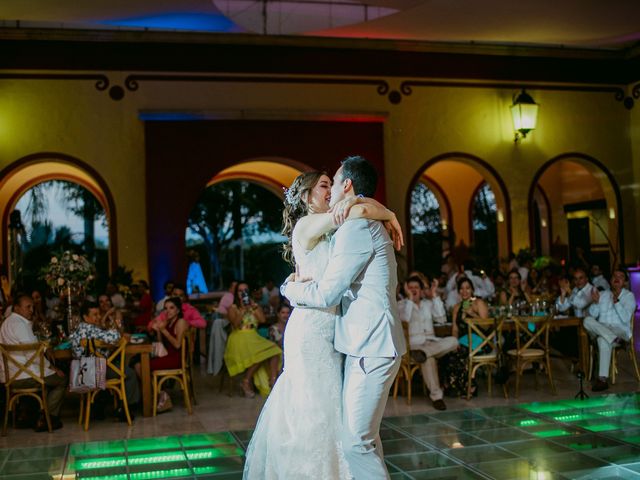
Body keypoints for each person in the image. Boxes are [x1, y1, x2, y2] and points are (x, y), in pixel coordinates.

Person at [247, 157, 405, 479]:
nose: (330, 190)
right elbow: (359, 208)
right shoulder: (309, 224)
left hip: (338, 333)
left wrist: (385, 212)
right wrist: (288, 289)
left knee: (342, 424)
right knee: (313, 414)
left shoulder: (345, 227)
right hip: (310, 330)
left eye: (331, 183)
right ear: (306, 197)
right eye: (323, 185)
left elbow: (359, 206)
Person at [0, 293, 67, 432]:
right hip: (24, 376)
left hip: (9, 376)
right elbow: (33, 354)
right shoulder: (20, 325)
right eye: (27, 307)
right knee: (61, 379)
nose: (31, 310)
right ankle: (47, 418)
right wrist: (52, 367)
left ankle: (29, 415)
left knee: (48, 377)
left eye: (32, 307)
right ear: (17, 308)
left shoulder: (7, 323)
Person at [69, 301, 140, 420]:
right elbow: (114, 337)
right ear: (85, 317)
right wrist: (117, 331)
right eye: (94, 315)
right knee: (129, 373)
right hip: (96, 372)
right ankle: (125, 409)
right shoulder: (92, 329)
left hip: (83, 373)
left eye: (98, 314)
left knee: (114, 363)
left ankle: (97, 408)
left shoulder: (78, 330)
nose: (98, 317)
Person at [398, 275, 457, 411]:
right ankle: (437, 398)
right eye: (410, 288)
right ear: (406, 289)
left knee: (454, 341)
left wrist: (434, 294)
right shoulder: (402, 305)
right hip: (414, 345)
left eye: (416, 288)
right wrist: (410, 301)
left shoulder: (428, 304)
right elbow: (404, 319)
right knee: (428, 360)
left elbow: (441, 318)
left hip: (431, 344)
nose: (414, 290)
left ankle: (424, 353)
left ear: (421, 290)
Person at [223, 282, 282, 398]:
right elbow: (235, 324)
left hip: (253, 337)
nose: (243, 293)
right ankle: (246, 381)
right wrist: (243, 310)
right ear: (236, 293)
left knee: (275, 350)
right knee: (259, 354)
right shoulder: (233, 307)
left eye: (245, 290)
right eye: (240, 291)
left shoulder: (254, 305)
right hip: (239, 337)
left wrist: (253, 307)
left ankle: (273, 381)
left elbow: (263, 320)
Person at [583, 268, 636, 392]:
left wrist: (617, 302)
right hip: (605, 330)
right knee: (587, 321)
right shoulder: (603, 294)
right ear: (610, 280)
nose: (617, 278)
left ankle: (602, 379)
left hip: (620, 331)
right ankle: (613, 339)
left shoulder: (629, 296)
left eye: (621, 276)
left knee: (602, 339)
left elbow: (625, 318)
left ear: (625, 282)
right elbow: (593, 315)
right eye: (614, 276)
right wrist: (595, 303)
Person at [440, 277, 489, 398]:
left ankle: (469, 386)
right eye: (461, 289)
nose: (464, 291)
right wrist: (454, 342)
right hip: (463, 340)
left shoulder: (479, 303)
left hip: (479, 340)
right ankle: (452, 386)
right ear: (458, 291)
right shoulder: (457, 307)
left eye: (467, 288)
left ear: (472, 290)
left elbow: (487, 325)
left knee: (459, 354)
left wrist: (472, 314)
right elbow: (455, 329)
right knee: (447, 353)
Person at [138, 296, 188, 412]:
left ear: (178, 310)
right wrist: (159, 331)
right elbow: (162, 345)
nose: (168, 311)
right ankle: (157, 395)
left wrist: (164, 330)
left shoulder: (180, 322)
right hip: (168, 355)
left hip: (176, 358)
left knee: (142, 366)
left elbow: (177, 345)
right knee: (138, 363)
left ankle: (159, 395)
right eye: (166, 308)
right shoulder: (169, 322)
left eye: (171, 308)